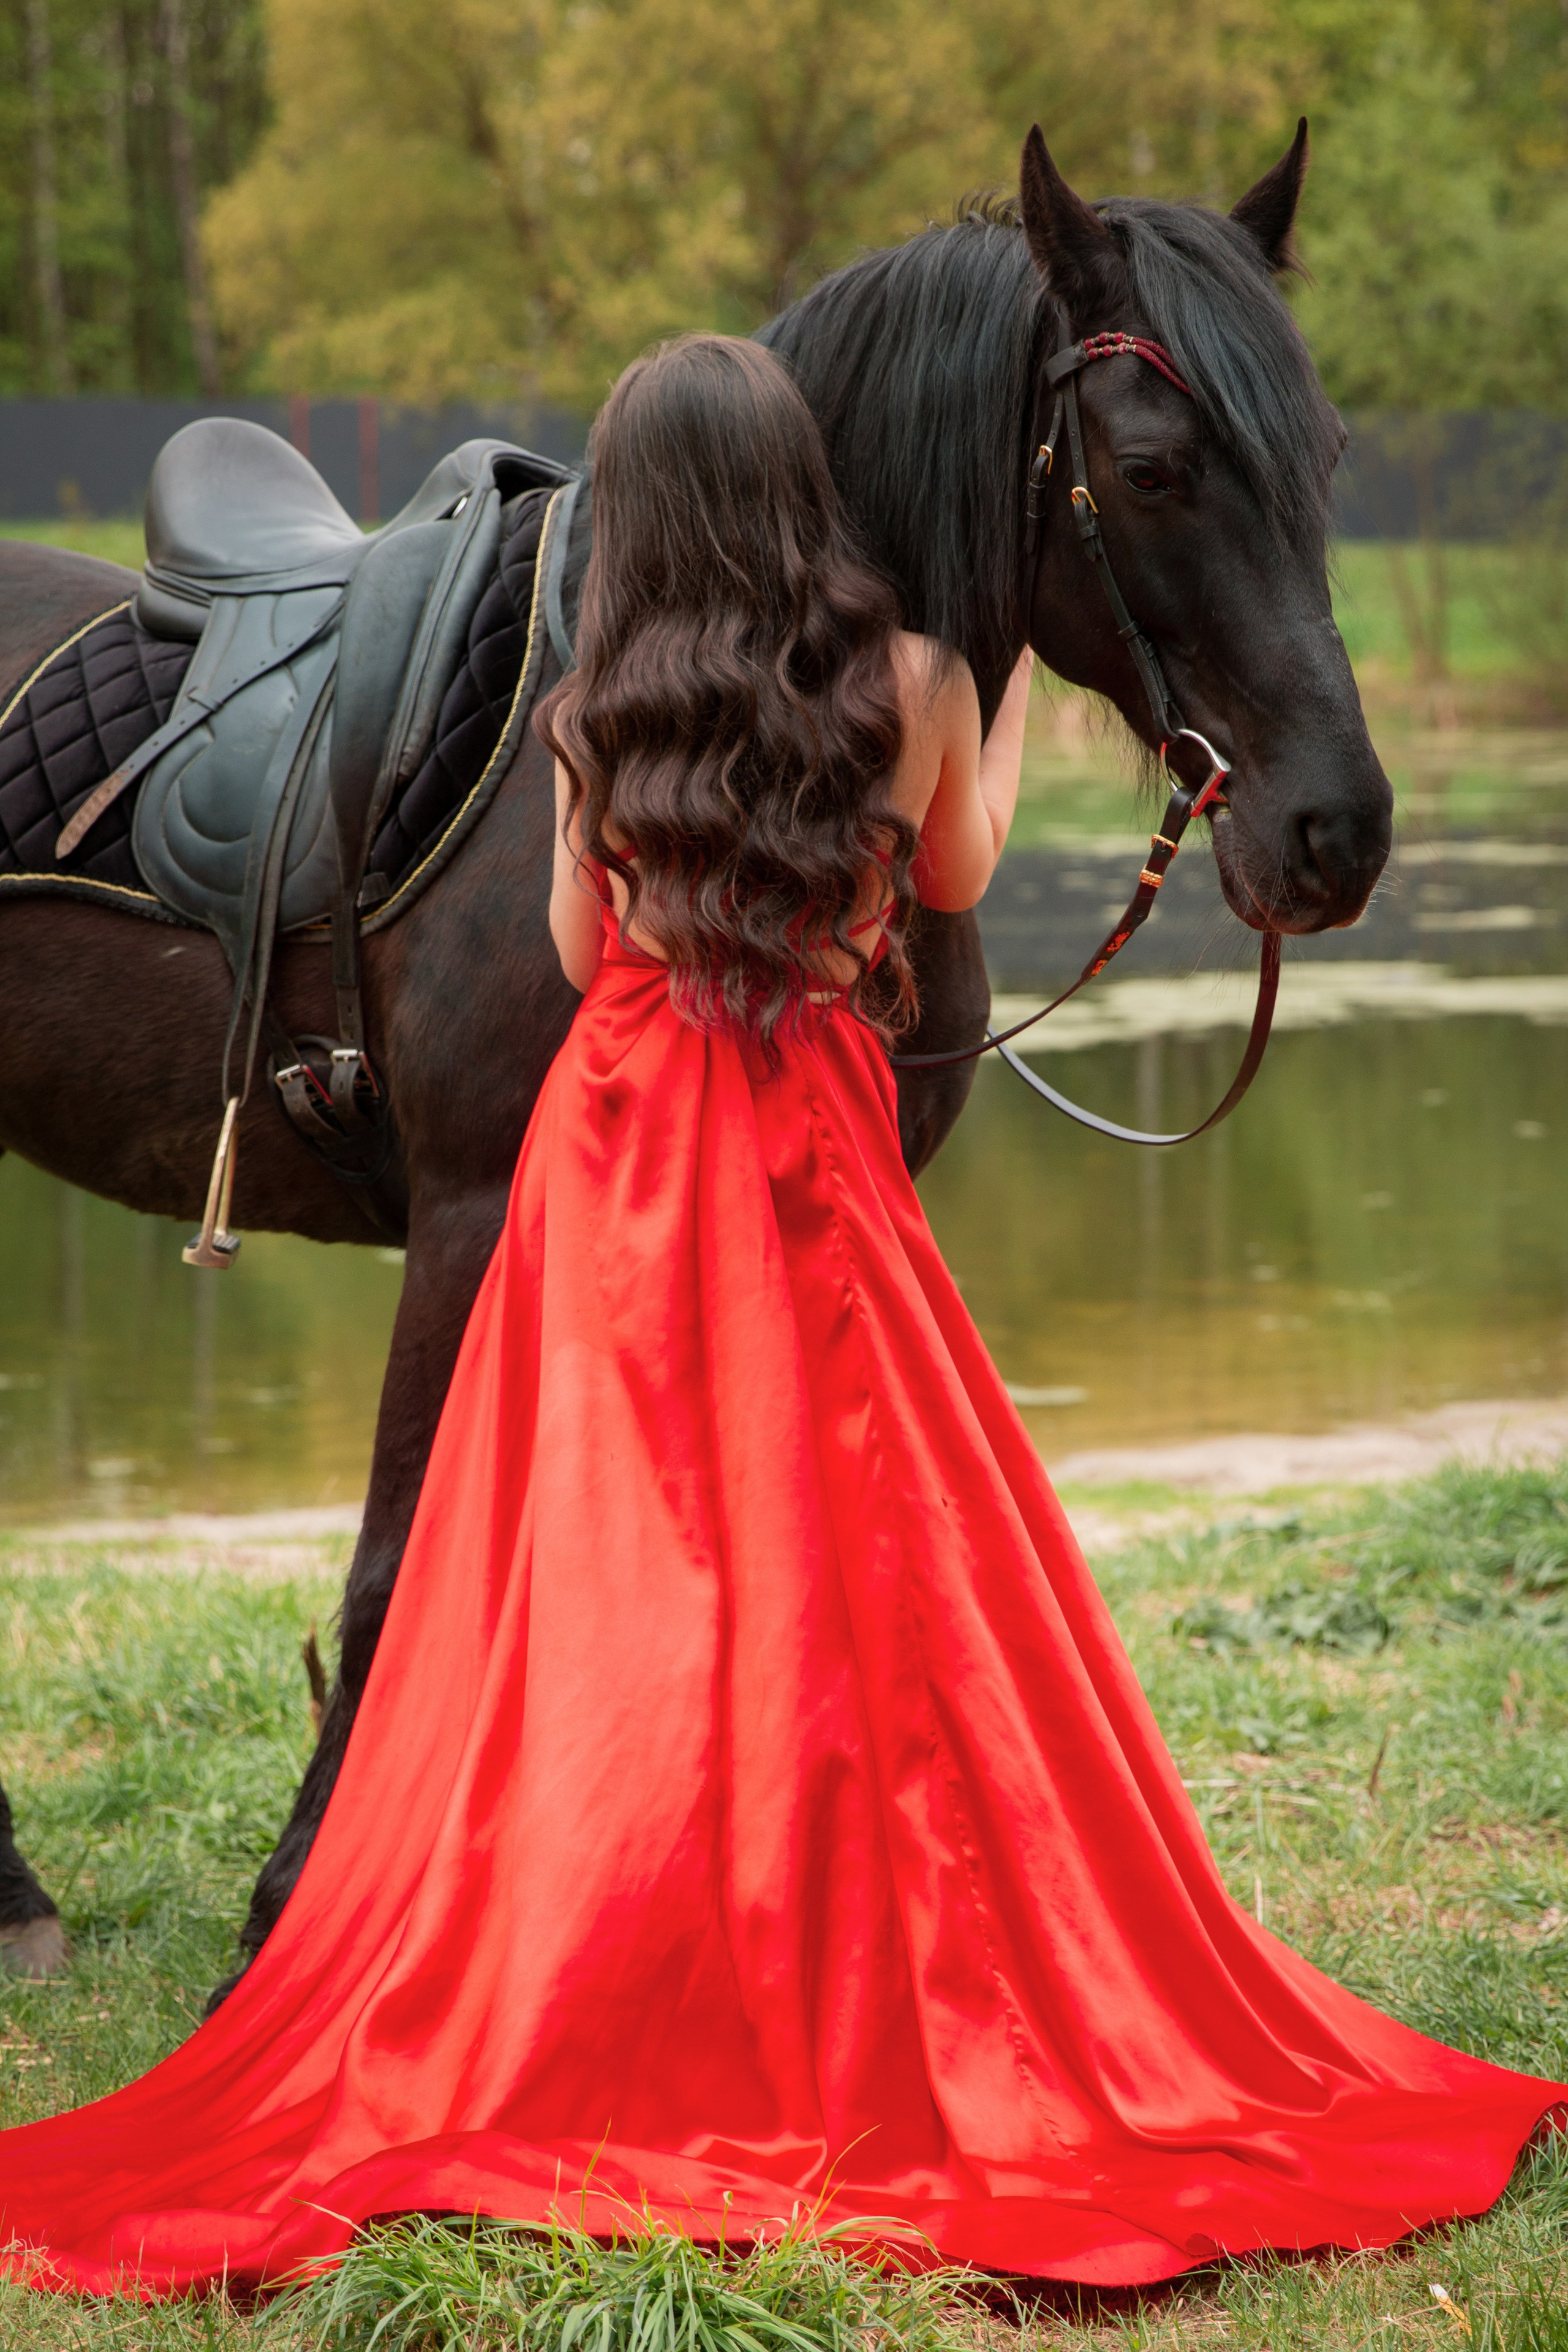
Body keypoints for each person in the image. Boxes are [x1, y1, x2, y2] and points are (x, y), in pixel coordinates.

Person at [0, 335, 1558, 2299]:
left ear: (634, 510)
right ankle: (829, 1906)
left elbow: (579, 947)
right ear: (804, 492)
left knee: (599, 1552)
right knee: (857, 1537)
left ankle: (574, 1913)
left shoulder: (586, 711)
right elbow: (961, 868)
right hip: (808, 1135)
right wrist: (991, 716)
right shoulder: (915, 688)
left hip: (623, 1143)